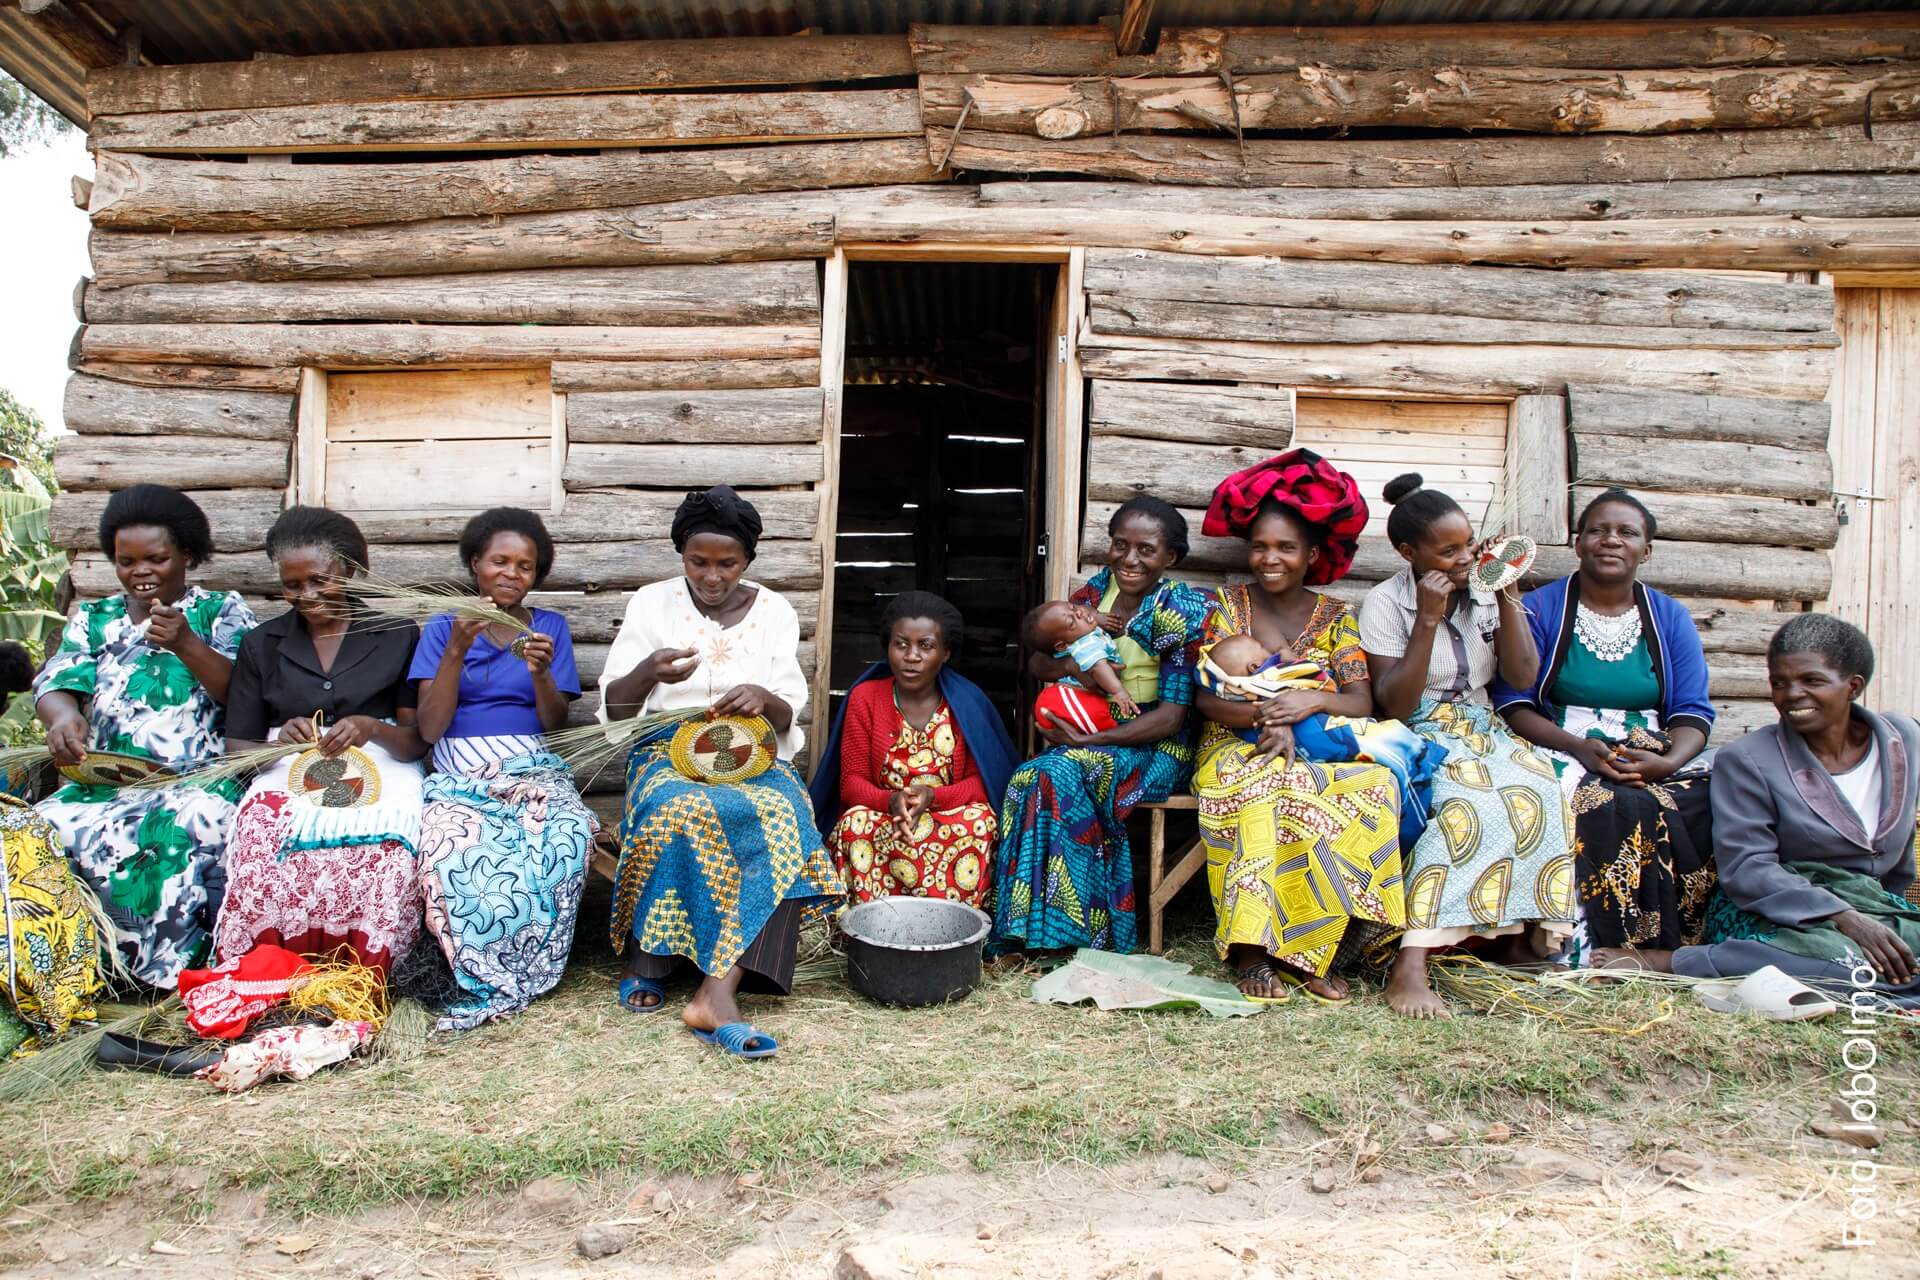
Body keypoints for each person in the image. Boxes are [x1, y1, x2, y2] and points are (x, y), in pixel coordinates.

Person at [599, 485, 840, 1058]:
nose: (712, 575)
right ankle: (651, 958)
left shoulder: (776, 610)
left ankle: (720, 986)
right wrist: (647, 673)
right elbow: (618, 704)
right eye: (698, 562)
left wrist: (763, 696)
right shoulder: (651, 604)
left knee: (787, 812)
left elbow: (789, 710)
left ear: (748, 560)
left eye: (727, 563)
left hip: (752, 751)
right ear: (681, 555)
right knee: (677, 807)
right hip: (666, 747)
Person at [1191, 450, 1406, 1004]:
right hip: (1233, 742)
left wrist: (1305, 701)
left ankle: (1326, 950)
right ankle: (1254, 953)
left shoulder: (1337, 617)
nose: (1271, 558)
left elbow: (1361, 702)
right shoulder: (1225, 607)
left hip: (1322, 745)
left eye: (1286, 547)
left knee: (1374, 788)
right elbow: (1207, 697)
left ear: (1311, 554)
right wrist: (1268, 718)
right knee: (1270, 785)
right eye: (1260, 546)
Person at [1360, 474, 1575, 1018]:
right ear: (1409, 553)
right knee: (1462, 805)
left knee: (1541, 785)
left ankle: (1518, 939)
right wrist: (1428, 621)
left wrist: (1505, 595)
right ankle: (1411, 961)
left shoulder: (1485, 592)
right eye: (1447, 550)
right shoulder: (1386, 603)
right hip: (1421, 730)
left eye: (1469, 545)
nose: (1463, 559)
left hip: (1482, 724)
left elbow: (1523, 676)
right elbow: (1396, 707)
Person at [32, 485, 257, 986]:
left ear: (188, 556)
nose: (141, 572)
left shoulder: (218, 611)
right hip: (109, 780)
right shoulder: (95, 619)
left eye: (157, 558)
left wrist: (186, 644)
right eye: (126, 561)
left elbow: (244, 694)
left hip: (197, 777)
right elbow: (55, 682)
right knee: (41, 828)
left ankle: (161, 977)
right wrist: (63, 717)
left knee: (181, 825)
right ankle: (65, 974)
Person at [1495, 489, 1716, 970]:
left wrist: (1669, 762)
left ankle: (1672, 948)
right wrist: (1578, 747)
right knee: (1593, 800)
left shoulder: (1669, 617)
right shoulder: (1542, 608)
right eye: (1597, 530)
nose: (1610, 540)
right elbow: (1515, 703)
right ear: (1577, 544)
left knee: (1704, 797)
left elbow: (1693, 712)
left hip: (1651, 748)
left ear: (1646, 550)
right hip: (1560, 740)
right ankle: (1583, 948)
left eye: (1626, 532)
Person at [1655, 615, 1918, 1004]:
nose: (1791, 694)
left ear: (1853, 686)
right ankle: (1677, 962)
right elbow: (1747, 868)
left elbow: (1900, 840)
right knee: (1843, 960)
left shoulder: (1902, 739)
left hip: (1870, 906)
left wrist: (1882, 912)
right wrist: (1846, 918)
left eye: (1811, 681)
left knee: (1888, 959)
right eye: (1780, 682)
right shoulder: (1748, 759)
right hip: (1776, 909)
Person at [213, 507, 429, 976]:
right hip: (285, 766)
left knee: (385, 849)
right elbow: (238, 749)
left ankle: (366, 969)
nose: (306, 595)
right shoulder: (261, 644)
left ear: (348, 570)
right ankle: (272, 969)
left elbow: (414, 743)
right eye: (293, 585)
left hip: (381, 763)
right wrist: (280, 745)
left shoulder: (396, 634)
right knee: (260, 843)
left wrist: (372, 727)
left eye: (320, 580)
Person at [991, 495, 1210, 954]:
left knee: (1060, 772)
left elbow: (1171, 718)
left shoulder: (1180, 610)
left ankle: (1078, 936)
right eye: (1120, 545)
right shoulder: (1092, 594)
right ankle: (1026, 928)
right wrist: (1074, 666)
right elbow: (1038, 660)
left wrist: (1092, 740)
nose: (1130, 559)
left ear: (1170, 557)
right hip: (1093, 732)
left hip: (1156, 744)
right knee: (1026, 777)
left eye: (1146, 550)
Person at [411, 508, 596, 1030]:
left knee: (567, 835)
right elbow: (429, 728)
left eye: (525, 566)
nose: (512, 574)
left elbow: (555, 721)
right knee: (455, 849)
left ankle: (532, 968)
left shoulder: (548, 628)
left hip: (531, 766)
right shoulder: (444, 625)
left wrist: (540, 674)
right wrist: (455, 649)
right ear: (476, 563)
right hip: (459, 776)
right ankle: (484, 974)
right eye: (500, 562)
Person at [810, 591, 1018, 908]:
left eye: (926, 646)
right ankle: (878, 921)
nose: (912, 656)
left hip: (947, 814)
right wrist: (891, 801)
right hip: (885, 815)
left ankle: (954, 922)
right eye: (901, 644)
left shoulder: (966, 703)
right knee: (855, 823)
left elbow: (981, 784)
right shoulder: (865, 698)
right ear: (888, 647)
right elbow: (851, 783)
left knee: (979, 821)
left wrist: (933, 797)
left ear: (946, 652)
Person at [1023, 598, 1140, 733]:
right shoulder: (1085, 644)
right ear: (1062, 645)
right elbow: (1098, 667)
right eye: (1072, 622)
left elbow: (1083, 608)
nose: (1080, 612)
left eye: (1072, 607)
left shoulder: (1082, 628)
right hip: (1079, 697)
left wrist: (1096, 615)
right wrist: (1119, 692)